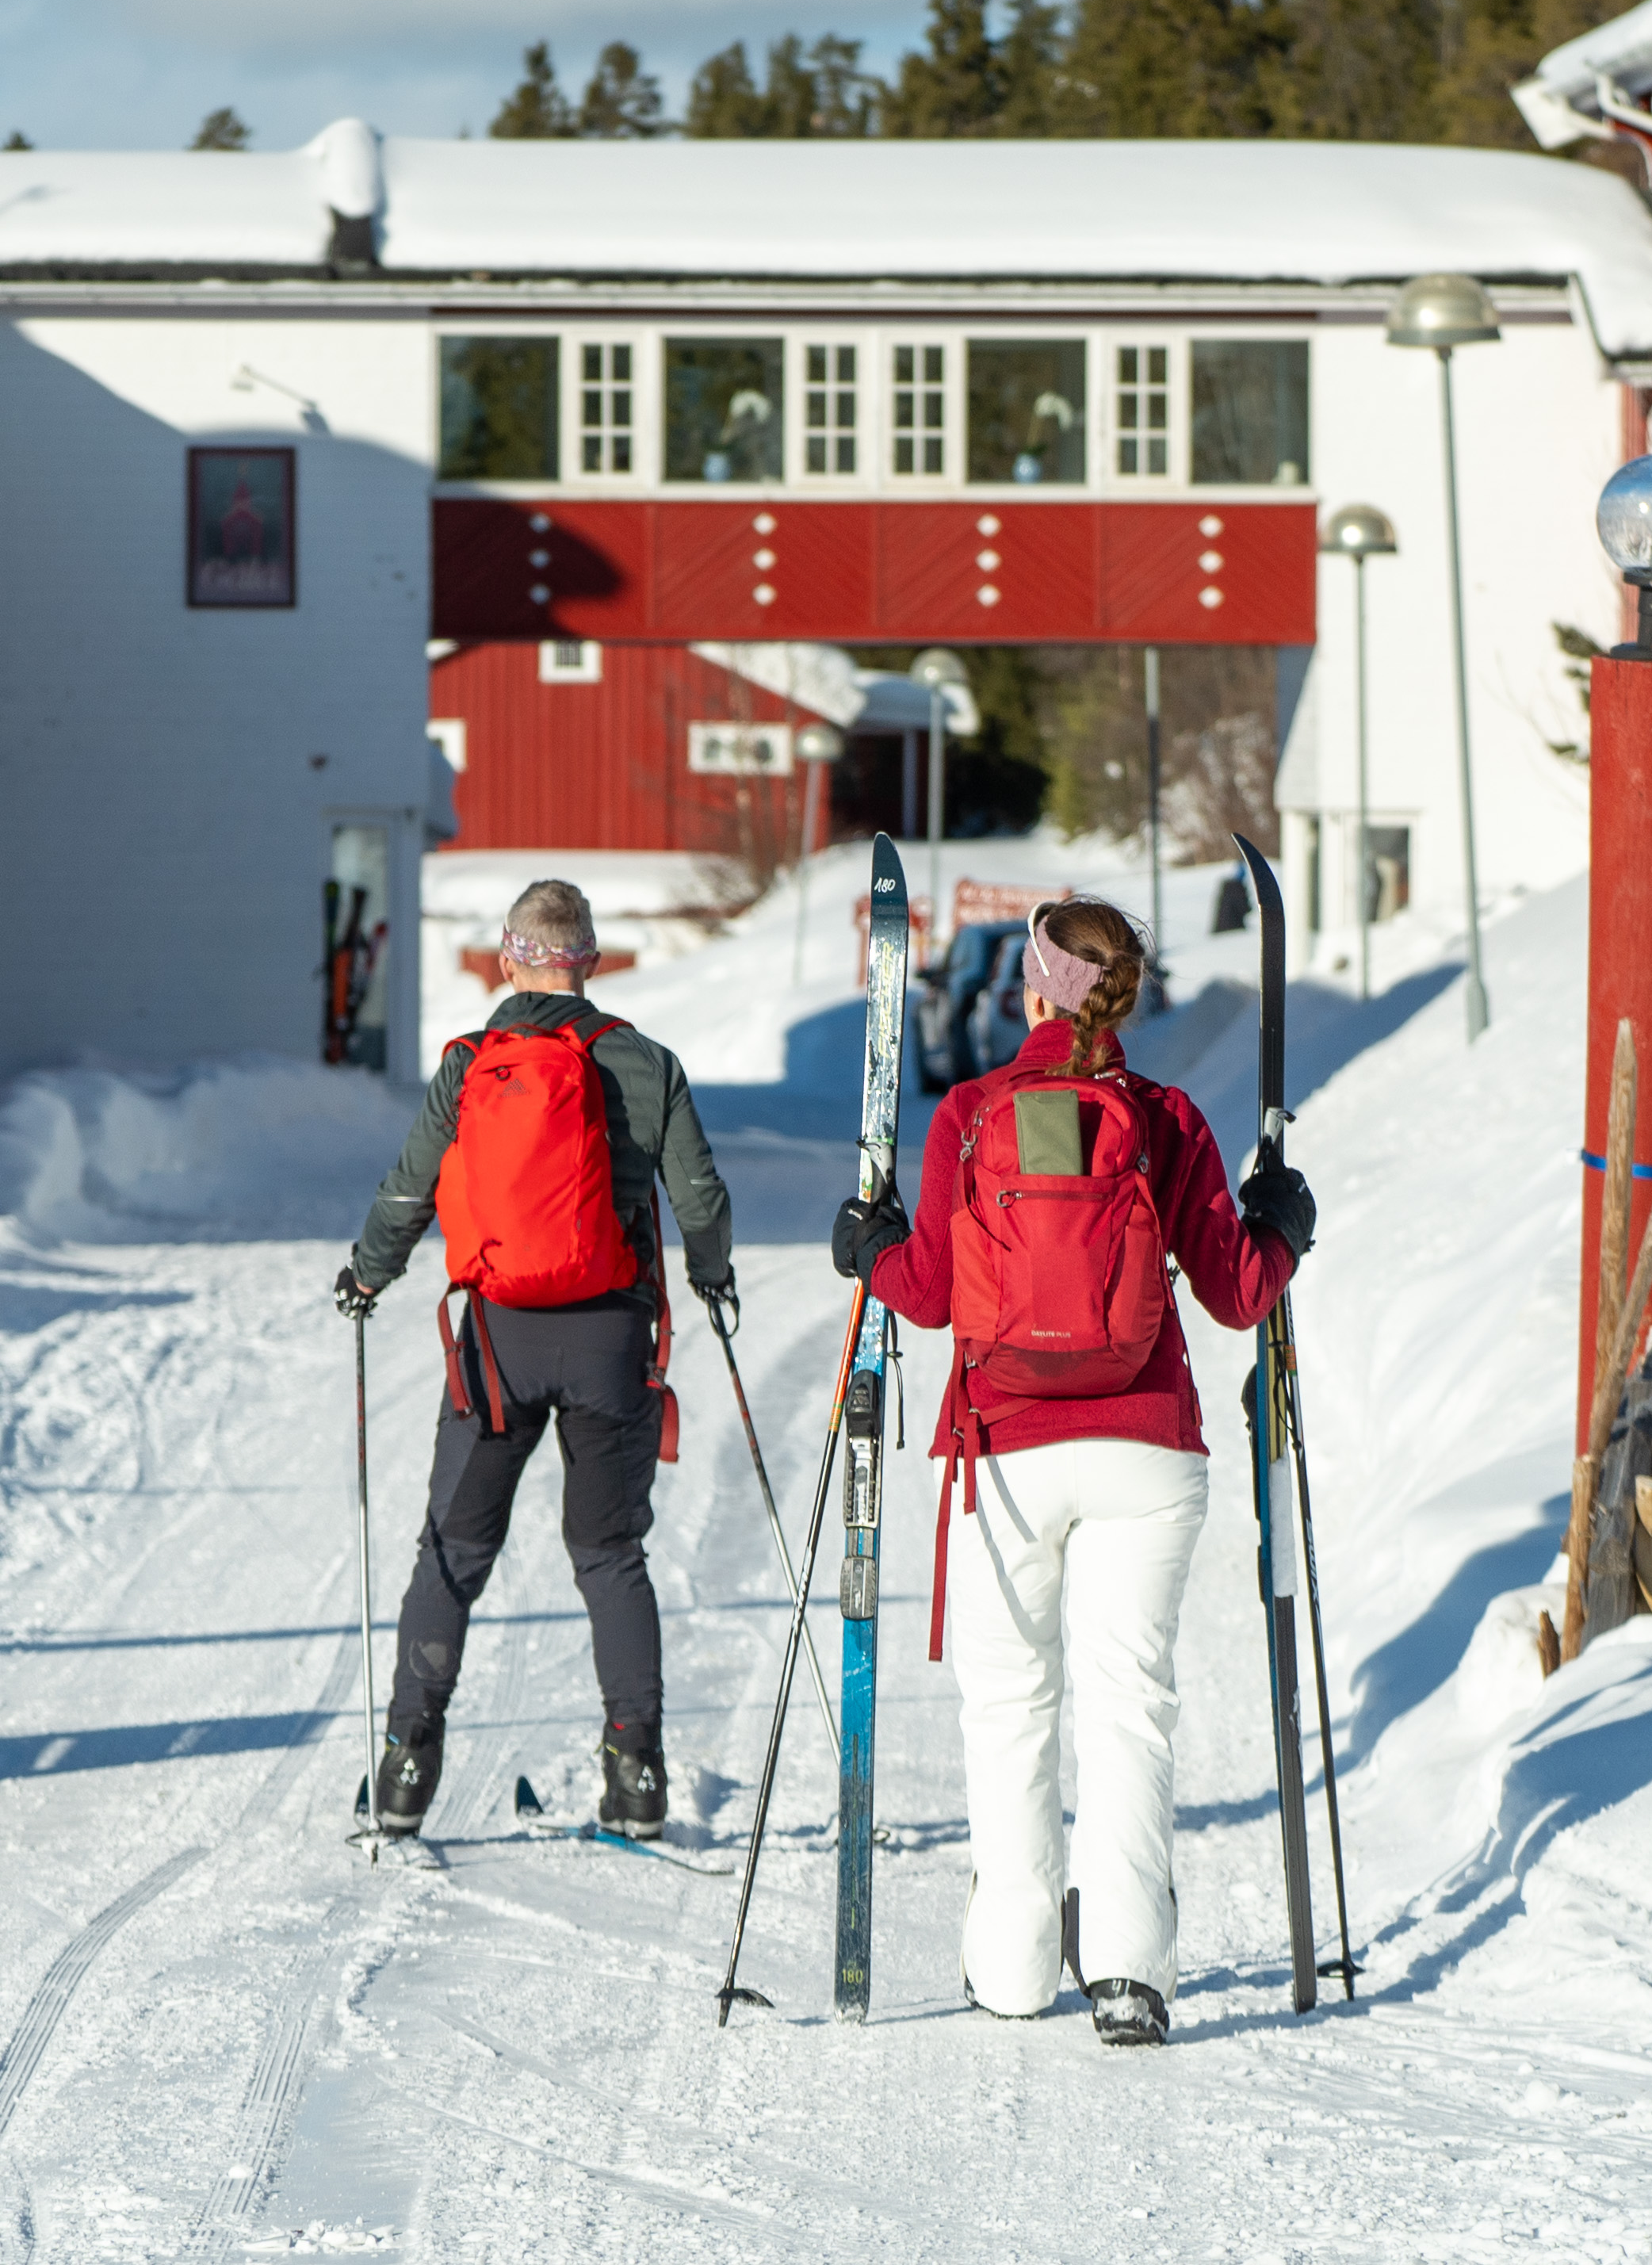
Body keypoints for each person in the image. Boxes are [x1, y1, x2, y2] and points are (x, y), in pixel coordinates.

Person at [832, 894, 1311, 2045]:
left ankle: (1010, 1966)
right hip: (1147, 1450)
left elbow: (935, 1294)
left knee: (1010, 1709)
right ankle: (1131, 1970)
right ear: (1124, 996)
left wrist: (871, 1248)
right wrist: (1283, 1221)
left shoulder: (973, 1112)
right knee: (1128, 1703)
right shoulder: (1166, 1117)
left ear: (1036, 990)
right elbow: (1241, 1294)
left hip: (1005, 1450)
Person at [333, 875, 740, 1842]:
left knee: (454, 1551)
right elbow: (701, 1196)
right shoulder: (645, 1061)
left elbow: (410, 1188)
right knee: (608, 1555)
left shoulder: (474, 1062)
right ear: (590, 963)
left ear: (509, 958)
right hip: (611, 1340)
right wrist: (715, 1281)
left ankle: (403, 1769)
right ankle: (636, 1775)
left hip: (498, 1345)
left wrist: (366, 1275)